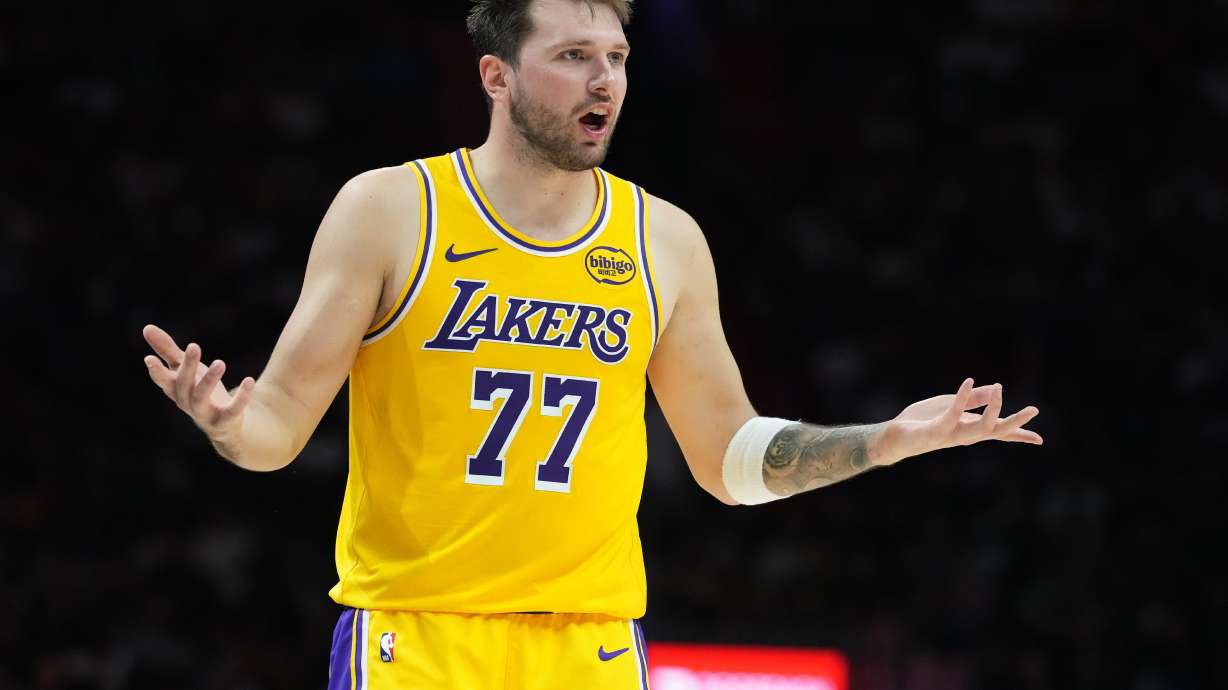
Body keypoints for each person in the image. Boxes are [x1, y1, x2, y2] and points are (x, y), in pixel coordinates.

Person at [141, 0, 1043, 688]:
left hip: (595, 643)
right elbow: (277, 434)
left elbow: (729, 459)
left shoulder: (665, 240)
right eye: (573, 57)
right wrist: (227, 420)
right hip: (418, 635)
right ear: (496, 76)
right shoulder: (390, 211)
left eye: (615, 57)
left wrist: (883, 442)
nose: (604, 79)